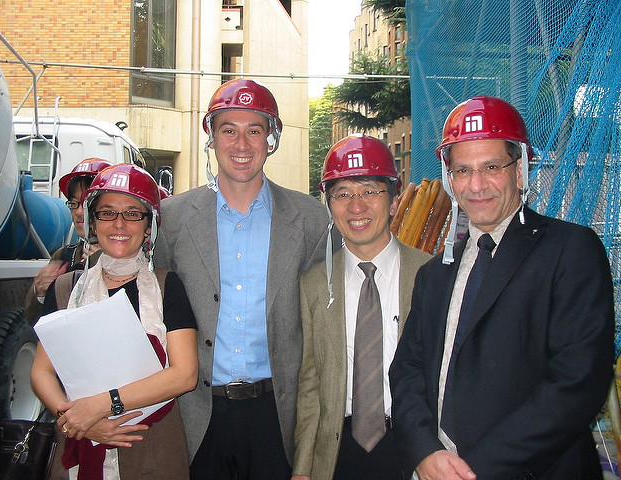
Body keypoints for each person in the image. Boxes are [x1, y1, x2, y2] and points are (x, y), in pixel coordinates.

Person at [389, 95, 614, 480]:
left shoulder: (569, 251)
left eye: (492, 167)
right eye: (463, 170)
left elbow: (578, 381)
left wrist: (476, 471)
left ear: (520, 170)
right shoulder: (435, 274)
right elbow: (407, 370)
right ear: (449, 178)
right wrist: (424, 451)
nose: (476, 185)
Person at [153, 78, 332, 480]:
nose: (241, 144)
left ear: (271, 139)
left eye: (254, 130)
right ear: (211, 138)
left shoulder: (310, 220)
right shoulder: (173, 219)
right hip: (197, 413)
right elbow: (150, 299)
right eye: (228, 130)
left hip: (276, 414)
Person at [31, 163, 198, 479]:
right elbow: (42, 371)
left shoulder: (167, 287)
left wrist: (104, 405)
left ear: (148, 226)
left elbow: (185, 374)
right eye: (107, 213)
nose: (119, 224)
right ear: (93, 222)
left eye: (133, 214)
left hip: (151, 444)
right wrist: (78, 420)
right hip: (79, 438)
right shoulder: (66, 289)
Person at [292, 134, 431, 480]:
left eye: (370, 191)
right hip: (340, 452)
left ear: (394, 201)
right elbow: (310, 387)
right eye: (342, 194)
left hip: (416, 447)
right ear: (329, 205)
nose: (356, 207)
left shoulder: (431, 275)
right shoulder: (314, 284)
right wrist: (303, 469)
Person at [24, 158, 112, 323]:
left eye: (87, 203)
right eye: (73, 203)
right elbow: (34, 321)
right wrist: (40, 293)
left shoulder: (132, 258)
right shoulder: (64, 256)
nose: (78, 212)